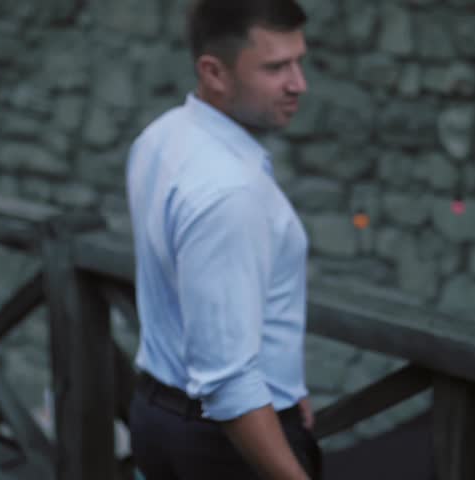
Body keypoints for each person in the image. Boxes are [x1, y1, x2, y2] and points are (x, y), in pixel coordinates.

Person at [125, 0, 319, 478]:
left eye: (299, 61)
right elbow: (228, 382)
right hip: (227, 446)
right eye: (276, 67)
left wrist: (288, 386)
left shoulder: (162, 136)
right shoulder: (230, 192)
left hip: (155, 413)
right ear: (214, 72)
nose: (299, 84)